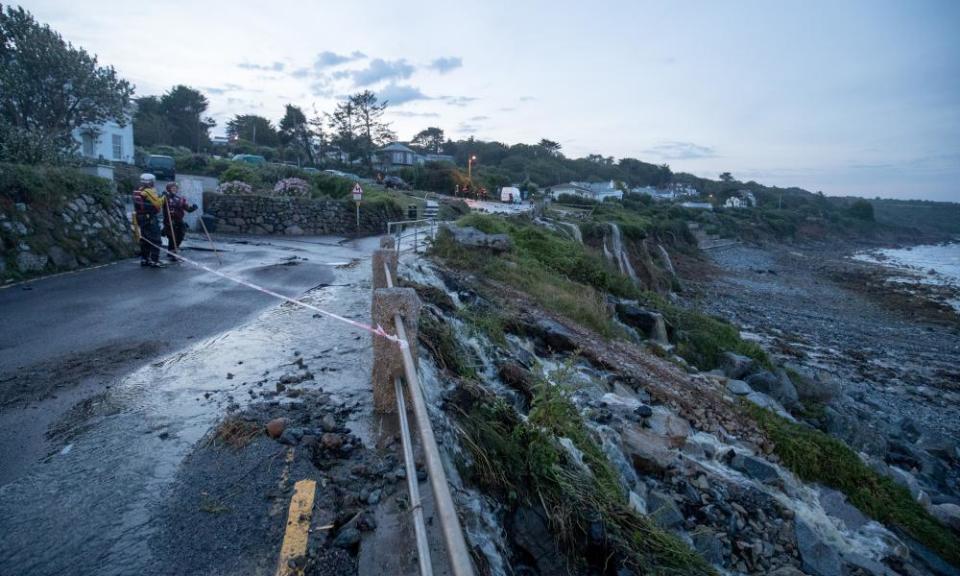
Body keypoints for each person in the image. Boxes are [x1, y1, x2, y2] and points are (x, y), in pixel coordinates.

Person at [133, 173, 165, 268]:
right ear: (151, 182)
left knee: (145, 238)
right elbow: (157, 204)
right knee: (156, 239)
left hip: (140, 217)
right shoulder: (149, 191)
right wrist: (163, 197)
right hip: (150, 217)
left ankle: (145, 259)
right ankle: (155, 260)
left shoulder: (138, 190)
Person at [161, 182, 198, 260]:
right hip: (169, 220)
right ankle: (172, 253)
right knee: (172, 237)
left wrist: (193, 208)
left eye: (175, 188)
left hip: (179, 220)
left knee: (180, 235)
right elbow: (159, 204)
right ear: (168, 189)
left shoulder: (180, 199)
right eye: (172, 188)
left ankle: (174, 249)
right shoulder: (165, 197)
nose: (174, 189)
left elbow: (187, 209)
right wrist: (163, 196)